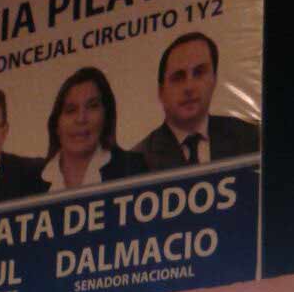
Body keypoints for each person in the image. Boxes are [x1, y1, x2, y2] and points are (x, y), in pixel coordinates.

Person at [134, 32, 260, 172]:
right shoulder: (139, 160)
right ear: (161, 92)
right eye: (178, 77)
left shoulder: (250, 137)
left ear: (214, 79)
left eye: (199, 72)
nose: (189, 87)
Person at [35, 67, 146, 192]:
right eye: (71, 110)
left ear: (106, 116)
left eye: (92, 106)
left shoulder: (132, 168)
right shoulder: (31, 181)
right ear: (56, 124)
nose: (81, 119)